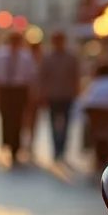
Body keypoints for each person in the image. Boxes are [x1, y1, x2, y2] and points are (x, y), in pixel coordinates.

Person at [0, 32, 37, 163]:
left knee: (18, 118)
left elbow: (31, 76)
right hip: (5, 89)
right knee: (5, 117)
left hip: (19, 90)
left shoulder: (27, 57)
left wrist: (31, 93)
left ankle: (16, 147)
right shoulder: (1, 55)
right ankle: (6, 141)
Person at [38, 31, 81, 162]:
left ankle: (62, 148)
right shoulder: (47, 58)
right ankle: (56, 148)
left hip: (67, 94)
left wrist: (76, 92)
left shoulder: (71, 58)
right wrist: (43, 93)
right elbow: (43, 77)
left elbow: (75, 76)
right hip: (52, 95)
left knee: (67, 123)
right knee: (53, 122)